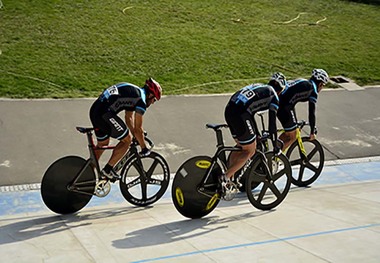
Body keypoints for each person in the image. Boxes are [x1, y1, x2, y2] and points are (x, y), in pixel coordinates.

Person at [89, 78, 162, 179]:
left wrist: (137, 136)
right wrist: (144, 148)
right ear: (150, 95)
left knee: (103, 144)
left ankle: (87, 172)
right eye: (154, 99)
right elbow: (138, 128)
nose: (153, 102)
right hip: (104, 114)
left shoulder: (135, 93)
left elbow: (129, 118)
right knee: (127, 140)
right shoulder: (141, 101)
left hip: (95, 111)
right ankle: (108, 170)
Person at [222, 76, 285, 193]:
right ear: (280, 90)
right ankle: (225, 178)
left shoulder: (260, 87)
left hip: (230, 109)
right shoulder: (274, 97)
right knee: (249, 150)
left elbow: (251, 112)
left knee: (242, 146)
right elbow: (272, 124)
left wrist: (255, 133)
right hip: (241, 114)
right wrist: (275, 143)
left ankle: (229, 176)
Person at [277, 69, 329, 151]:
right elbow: (311, 112)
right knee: (293, 136)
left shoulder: (304, 81)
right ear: (320, 84)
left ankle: (274, 151)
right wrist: (312, 132)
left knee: (289, 132)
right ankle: (274, 158)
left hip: (281, 103)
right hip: (285, 106)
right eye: (323, 85)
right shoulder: (313, 90)